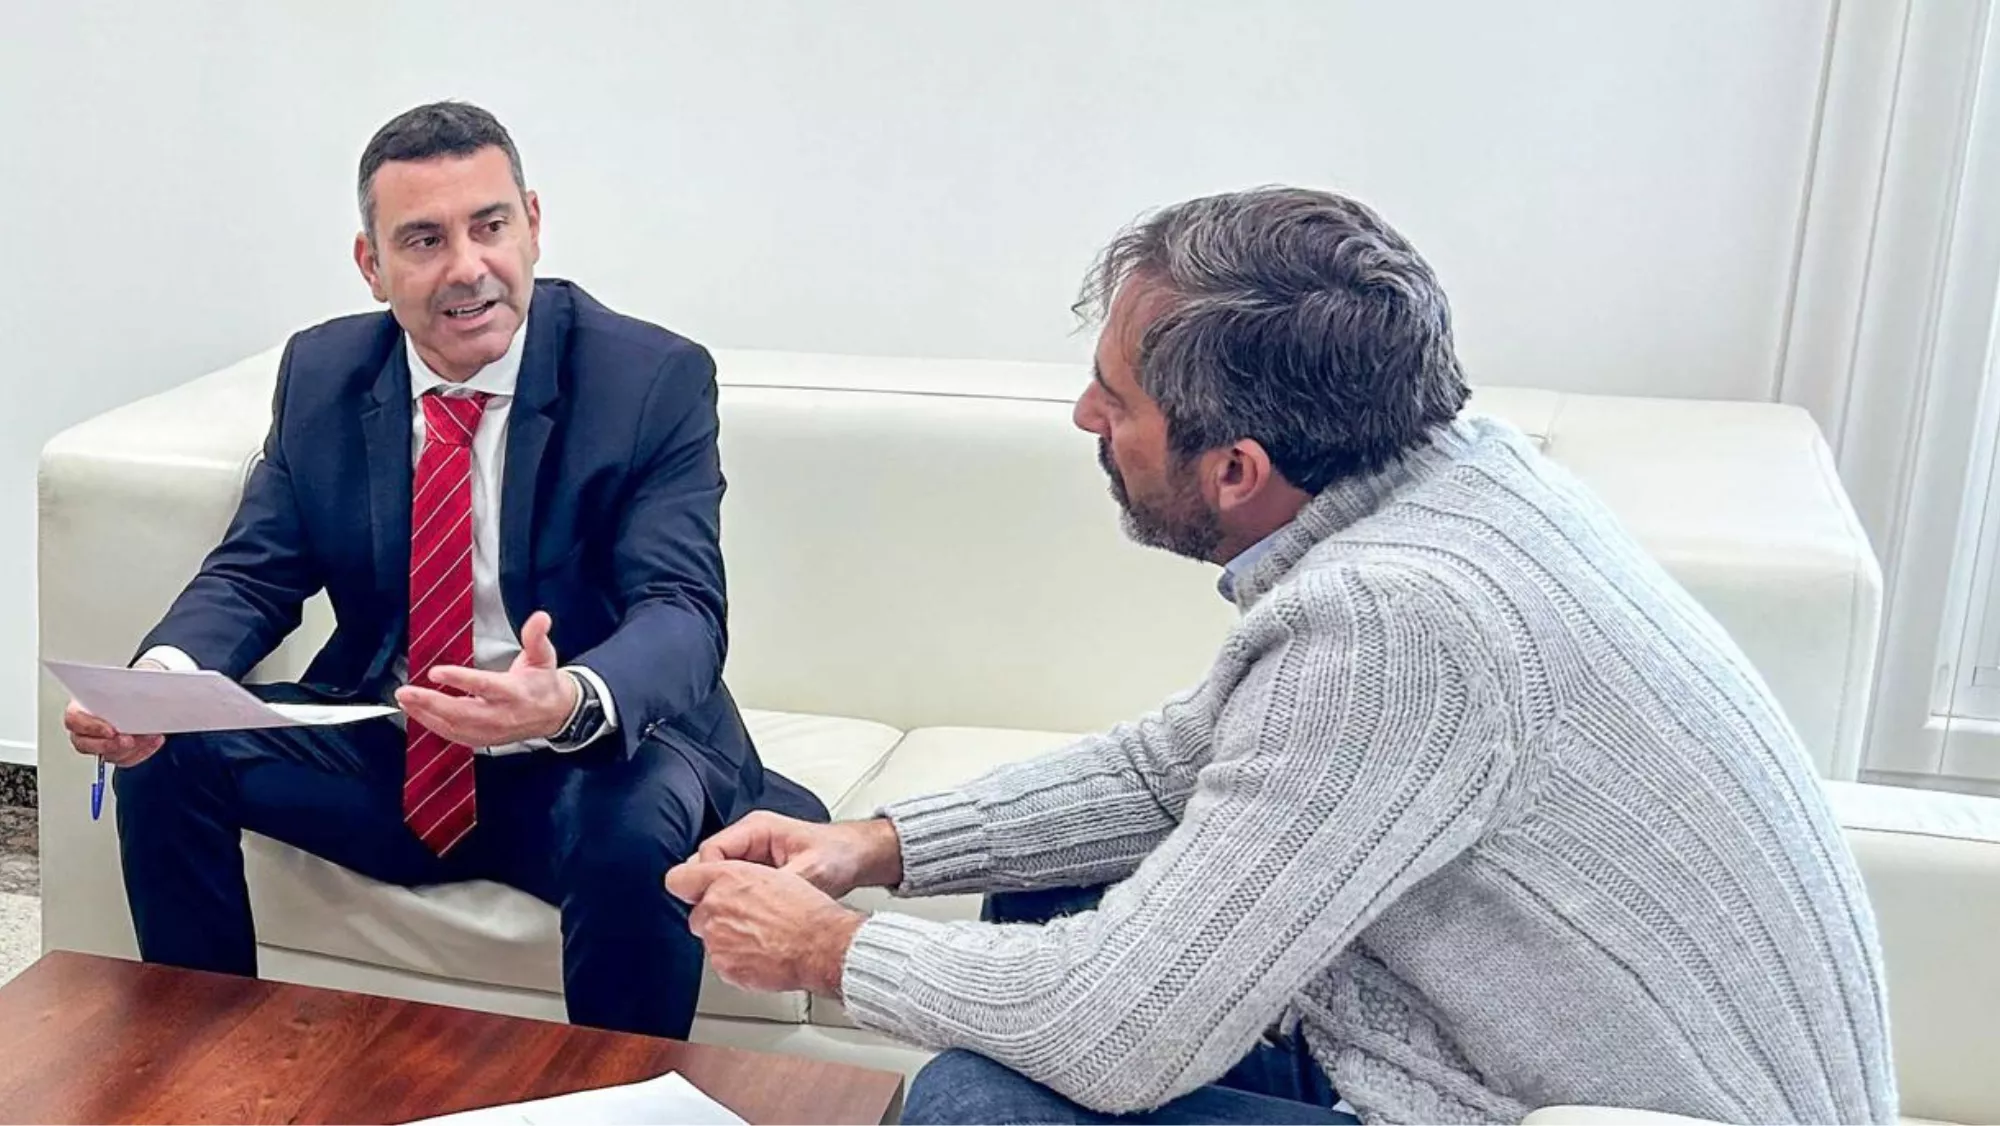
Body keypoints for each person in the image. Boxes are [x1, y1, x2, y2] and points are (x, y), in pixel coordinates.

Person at [661, 187, 1897, 1124]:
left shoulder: (1398, 628)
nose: (1085, 418)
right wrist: (875, 847)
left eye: (1117, 400)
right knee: (1055, 900)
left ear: (1233, 468)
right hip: (1545, 1047)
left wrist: (828, 948)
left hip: (1580, 1108)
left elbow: (1117, 1034)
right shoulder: (1467, 480)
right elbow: (1174, 771)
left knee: (972, 1103)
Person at [62, 100, 825, 1040]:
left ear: (533, 225)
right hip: (401, 742)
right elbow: (256, 572)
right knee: (167, 747)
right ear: (372, 265)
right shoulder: (324, 373)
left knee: (636, 836)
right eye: (423, 240)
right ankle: (200, 1066)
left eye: (490, 226)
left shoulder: (648, 380)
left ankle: (619, 1103)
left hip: (584, 753)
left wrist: (570, 697)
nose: (467, 268)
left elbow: (682, 611)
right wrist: (159, 685)